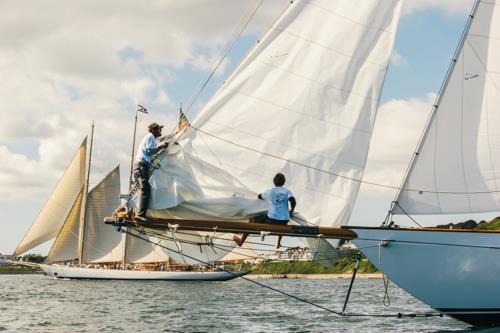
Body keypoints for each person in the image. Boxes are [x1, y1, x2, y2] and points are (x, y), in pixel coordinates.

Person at [233, 173, 296, 248]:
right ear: (284, 182)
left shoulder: (270, 191)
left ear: (274, 181)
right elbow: (293, 201)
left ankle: (241, 242)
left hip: (272, 221)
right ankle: (278, 243)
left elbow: (259, 196)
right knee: (281, 221)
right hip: (284, 221)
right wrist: (291, 211)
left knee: (252, 219)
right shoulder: (287, 191)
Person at [133, 122, 168, 221]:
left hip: (140, 165)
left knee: (143, 188)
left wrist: (161, 149)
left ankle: (139, 213)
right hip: (141, 165)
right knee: (145, 188)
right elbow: (149, 151)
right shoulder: (150, 137)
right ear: (154, 130)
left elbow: (150, 153)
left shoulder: (150, 138)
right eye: (159, 129)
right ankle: (140, 215)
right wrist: (161, 146)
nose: (161, 130)